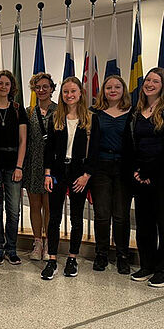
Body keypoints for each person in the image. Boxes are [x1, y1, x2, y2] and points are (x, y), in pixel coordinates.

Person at [125, 67, 164, 288]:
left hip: (163, 177)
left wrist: (149, 172)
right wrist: (137, 172)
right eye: (147, 80)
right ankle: (147, 264)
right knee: (144, 223)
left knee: (163, 224)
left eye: (155, 81)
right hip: (140, 176)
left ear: (163, 86)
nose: (149, 84)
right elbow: (131, 143)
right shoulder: (137, 110)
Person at [40, 77, 95, 280]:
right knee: (53, 217)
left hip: (79, 174)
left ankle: (72, 257)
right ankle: (52, 259)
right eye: (65, 92)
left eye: (73, 91)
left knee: (76, 218)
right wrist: (47, 173)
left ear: (80, 93)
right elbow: (49, 148)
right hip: (57, 172)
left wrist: (86, 175)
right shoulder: (56, 117)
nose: (69, 95)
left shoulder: (91, 118)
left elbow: (94, 151)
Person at [89, 75, 133, 274]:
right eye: (108, 87)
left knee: (121, 215)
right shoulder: (94, 113)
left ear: (123, 89)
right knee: (102, 214)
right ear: (103, 91)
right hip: (101, 168)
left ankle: (123, 255)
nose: (113, 90)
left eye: (117, 87)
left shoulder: (133, 113)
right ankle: (101, 254)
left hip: (124, 168)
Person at [0, 70, 28, 265]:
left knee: (13, 211)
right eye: (0, 83)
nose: (3, 87)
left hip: (13, 165)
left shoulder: (18, 109)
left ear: (12, 88)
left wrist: (19, 166)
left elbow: (23, 140)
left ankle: (11, 249)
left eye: (7, 84)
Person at [22, 72, 57, 261]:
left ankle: (50, 242)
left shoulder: (60, 111)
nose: (42, 90)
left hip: (51, 165)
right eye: (38, 87)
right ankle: (37, 242)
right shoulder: (28, 112)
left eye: (45, 86)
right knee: (35, 205)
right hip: (33, 163)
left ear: (52, 88)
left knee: (49, 206)